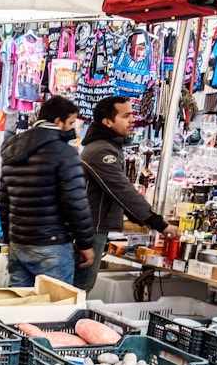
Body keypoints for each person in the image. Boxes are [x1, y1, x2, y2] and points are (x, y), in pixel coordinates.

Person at [76, 96, 181, 291]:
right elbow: (122, 191)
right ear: (107, 122)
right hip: (90, 229)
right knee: (80, 288)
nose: (132, 120)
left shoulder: (108, 147)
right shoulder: (101, 151)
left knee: (81, 287)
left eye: (132, 114)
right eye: (126, 116)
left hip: (93, 227)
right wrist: (157, 222)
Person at [0, 95, 95, 287]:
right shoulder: (65, 153)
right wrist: (86, 244)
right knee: (54, 303)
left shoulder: (12, 150)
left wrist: (10, 239)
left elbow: (4, 202)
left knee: (19, 302)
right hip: (52, 245)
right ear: (58, 122)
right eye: (71, 123)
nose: (73, 129)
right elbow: (75, 202)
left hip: (19, 243)